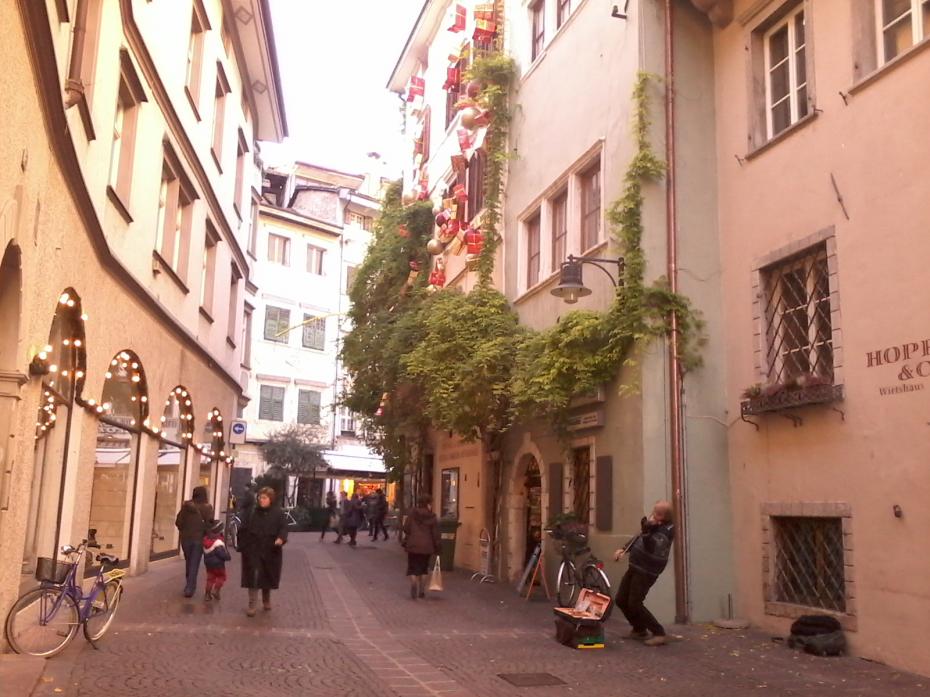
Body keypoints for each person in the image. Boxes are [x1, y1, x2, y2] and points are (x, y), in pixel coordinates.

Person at [613, 501, 675, 646]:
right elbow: (638, 537)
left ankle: (659, 633)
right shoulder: (652, 526)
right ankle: (639, 629)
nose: (654, 516)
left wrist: (647, 532)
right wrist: (624, 549)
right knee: (621, 599)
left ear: (667, 516)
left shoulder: (667, 530)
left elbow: (651, 547)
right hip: (635, 566)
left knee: (635, 603)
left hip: (647, 571)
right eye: (654, 512)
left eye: (659, 514)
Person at [238, 486, 289, 617]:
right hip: (253, 549)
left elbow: (283, 528)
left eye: (264, 498)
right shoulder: (252, 512)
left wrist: (280, 538)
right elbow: (243, 529)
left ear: (270, 499)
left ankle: (266, 599)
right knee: (253, 576)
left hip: (271, 550)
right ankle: (252, 605)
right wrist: (243, 546)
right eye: (260, 497)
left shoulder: (278, 513)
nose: (262, 500)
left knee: (267, 575)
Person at [175, 486, 214, 598]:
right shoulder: (207, 508)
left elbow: (178, 522)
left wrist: (184, 530)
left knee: (189, 561)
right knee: (194, 563)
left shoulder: (186, 507)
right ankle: (190, 587)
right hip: (199, 539)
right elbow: (209, 524)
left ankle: (189, 585)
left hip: (186, 538)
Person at [402, 494, 441, 600]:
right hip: (427, 547)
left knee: (413, 568)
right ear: (429, 504)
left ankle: (414, 582)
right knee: (424, 569)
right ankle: (422, 591)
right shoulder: (432, 517)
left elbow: (406, 528)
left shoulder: (412, 514)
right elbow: (436, 534)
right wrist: (438, 547)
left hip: (413, 545)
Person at [202, 519, 231, 601]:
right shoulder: (218, 542)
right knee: (222, 577)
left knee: (210, 579)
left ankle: (207, 595)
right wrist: (228, 556)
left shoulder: (206, 540)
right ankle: (216, 590)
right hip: (218, 565)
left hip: (208, 564)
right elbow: (221, 554)